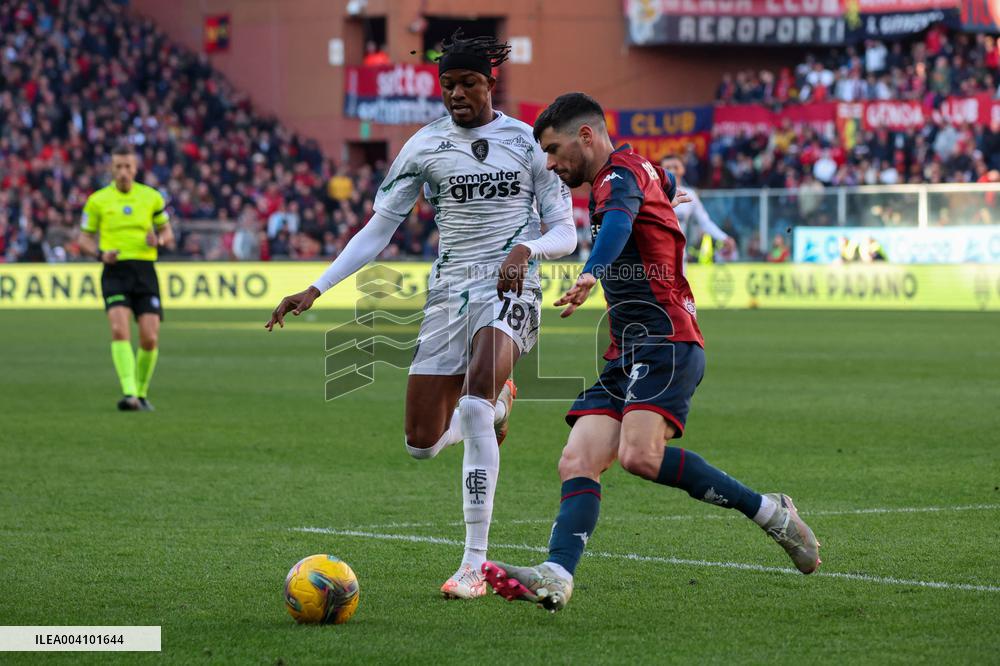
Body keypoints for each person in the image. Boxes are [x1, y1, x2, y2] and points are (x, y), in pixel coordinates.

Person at [265, 32, 576, 599]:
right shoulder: (423, 146)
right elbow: (378, 230)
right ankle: (502, 404)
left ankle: (473, 566)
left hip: (512, 287)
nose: (457, 93)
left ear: (490, 82)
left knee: (474, 406)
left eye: (469, 83)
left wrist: (527, 249)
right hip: (447, 295)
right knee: (421, 443)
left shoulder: (530, 142)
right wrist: (317, 286)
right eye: (449, 84)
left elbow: (566, 229)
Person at [480, 93, 820, 612]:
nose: (549, 163)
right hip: (627, 351)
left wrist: (592, 270)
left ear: (586, 136)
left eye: (553, 149)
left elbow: (617, 224)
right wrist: (667, 196)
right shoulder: (638, 171)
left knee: (640, 456)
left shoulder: (616, 177)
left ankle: (772, 514)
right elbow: (662, 182)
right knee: (577, 459)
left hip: (667, 340)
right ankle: (556, 574)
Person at [78, 143, 175, 411]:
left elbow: (168, 234)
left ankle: (141, 394)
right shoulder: (97, 200)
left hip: (144, 271)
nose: (123, 172)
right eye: (118, 167)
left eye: (128, 167)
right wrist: (100, 254)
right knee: (120, 330)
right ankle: (129, 393)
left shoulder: (152, 197)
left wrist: (159, 240)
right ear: (112, 168)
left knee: (149, 338)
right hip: (115, 270)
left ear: (135, 168)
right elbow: (83, 239)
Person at [660, 155, 730, 251]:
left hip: (680, 254)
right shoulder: (654, 193)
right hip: (657, 253)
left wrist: (724, 238)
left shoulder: (690, 194)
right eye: (668, 168)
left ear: (683, 169)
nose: (672, 171)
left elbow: (705, 222)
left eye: (676, 167)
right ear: (661, 171)